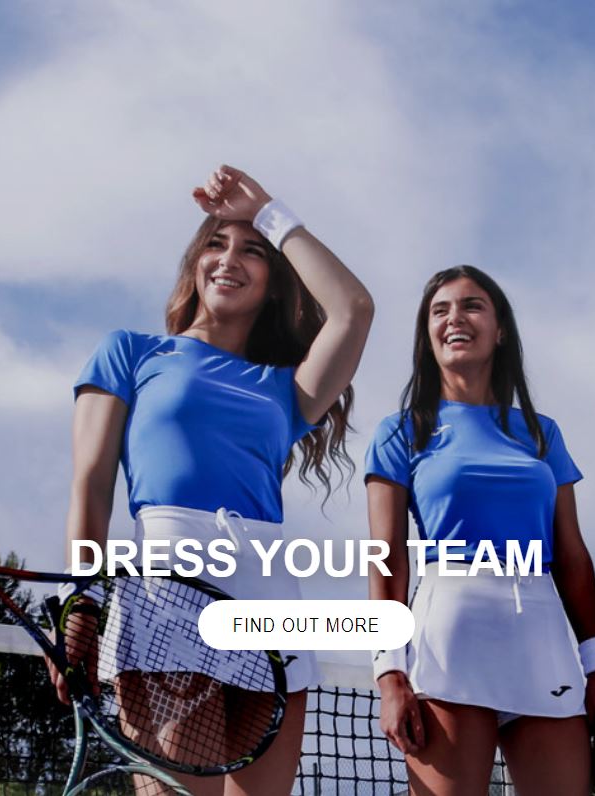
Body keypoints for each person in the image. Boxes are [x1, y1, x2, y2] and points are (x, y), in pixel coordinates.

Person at [65, 164, 374, 793]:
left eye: (252, 250)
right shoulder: (132, 353)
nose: (230, 258)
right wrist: (82, 601)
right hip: (167, 588)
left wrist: (269, 213)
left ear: (275, 281)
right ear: (194, 265)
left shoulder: (285, 389)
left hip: (271, 595)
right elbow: (91, 486)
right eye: (216, 243)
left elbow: (354, 308)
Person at [364, 266, 595, 795]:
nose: (455, 318)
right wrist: (389, 672)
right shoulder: (400, 432)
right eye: (440, 310)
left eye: (472, 306)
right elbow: (387, 556)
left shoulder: (541, 432)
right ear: (427, 334)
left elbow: (572, 555)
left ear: (500, 329)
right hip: (450, 635)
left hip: (542, 636)